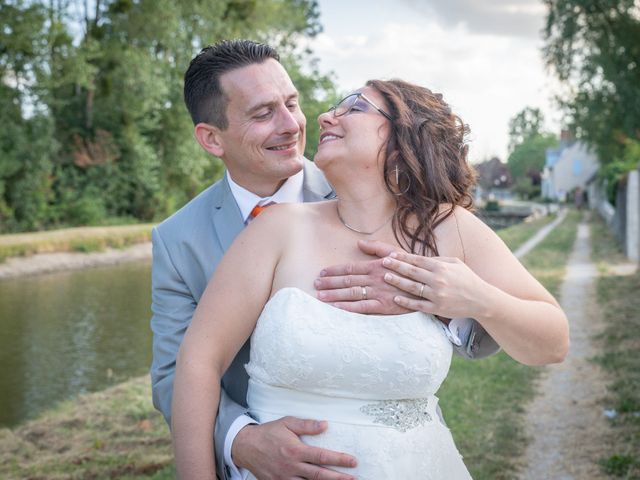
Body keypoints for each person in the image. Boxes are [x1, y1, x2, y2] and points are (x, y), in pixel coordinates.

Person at [170, 76, 570, 478]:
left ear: (404, 139)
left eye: (354, 107)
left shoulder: (452, 230)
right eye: (334, 107)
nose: (325, 116)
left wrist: (473, 297)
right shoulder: (275, 229)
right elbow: (198, 361)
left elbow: (554, 342)